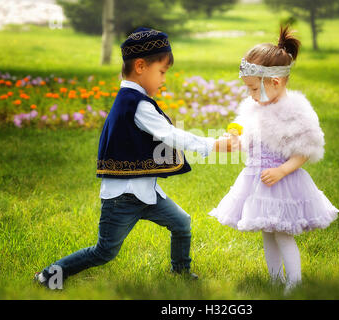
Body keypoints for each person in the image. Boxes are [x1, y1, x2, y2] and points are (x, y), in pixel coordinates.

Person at [34, 27, 239, 289]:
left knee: (181, 222)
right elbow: (171, 135)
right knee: (103, 252)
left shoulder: (135, 99)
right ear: (141, 66)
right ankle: (48, 276)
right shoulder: (136, 104)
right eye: (162, 72)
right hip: (122, 198)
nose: (164, 79)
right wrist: (214, 144)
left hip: (146, 192)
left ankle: (180, 272)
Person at [208, 26, 339, 295]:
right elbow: (242, 125)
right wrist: (234, 133)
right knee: (267, 231)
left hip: (282, 181)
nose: (251, 95)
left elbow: (306, 150)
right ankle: (275, 277)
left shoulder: (295, 111)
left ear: (275, 82)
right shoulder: (255, 105)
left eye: (254, 89)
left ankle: (295, 281)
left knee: (282, 233)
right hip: (257, 180)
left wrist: (282, 170)